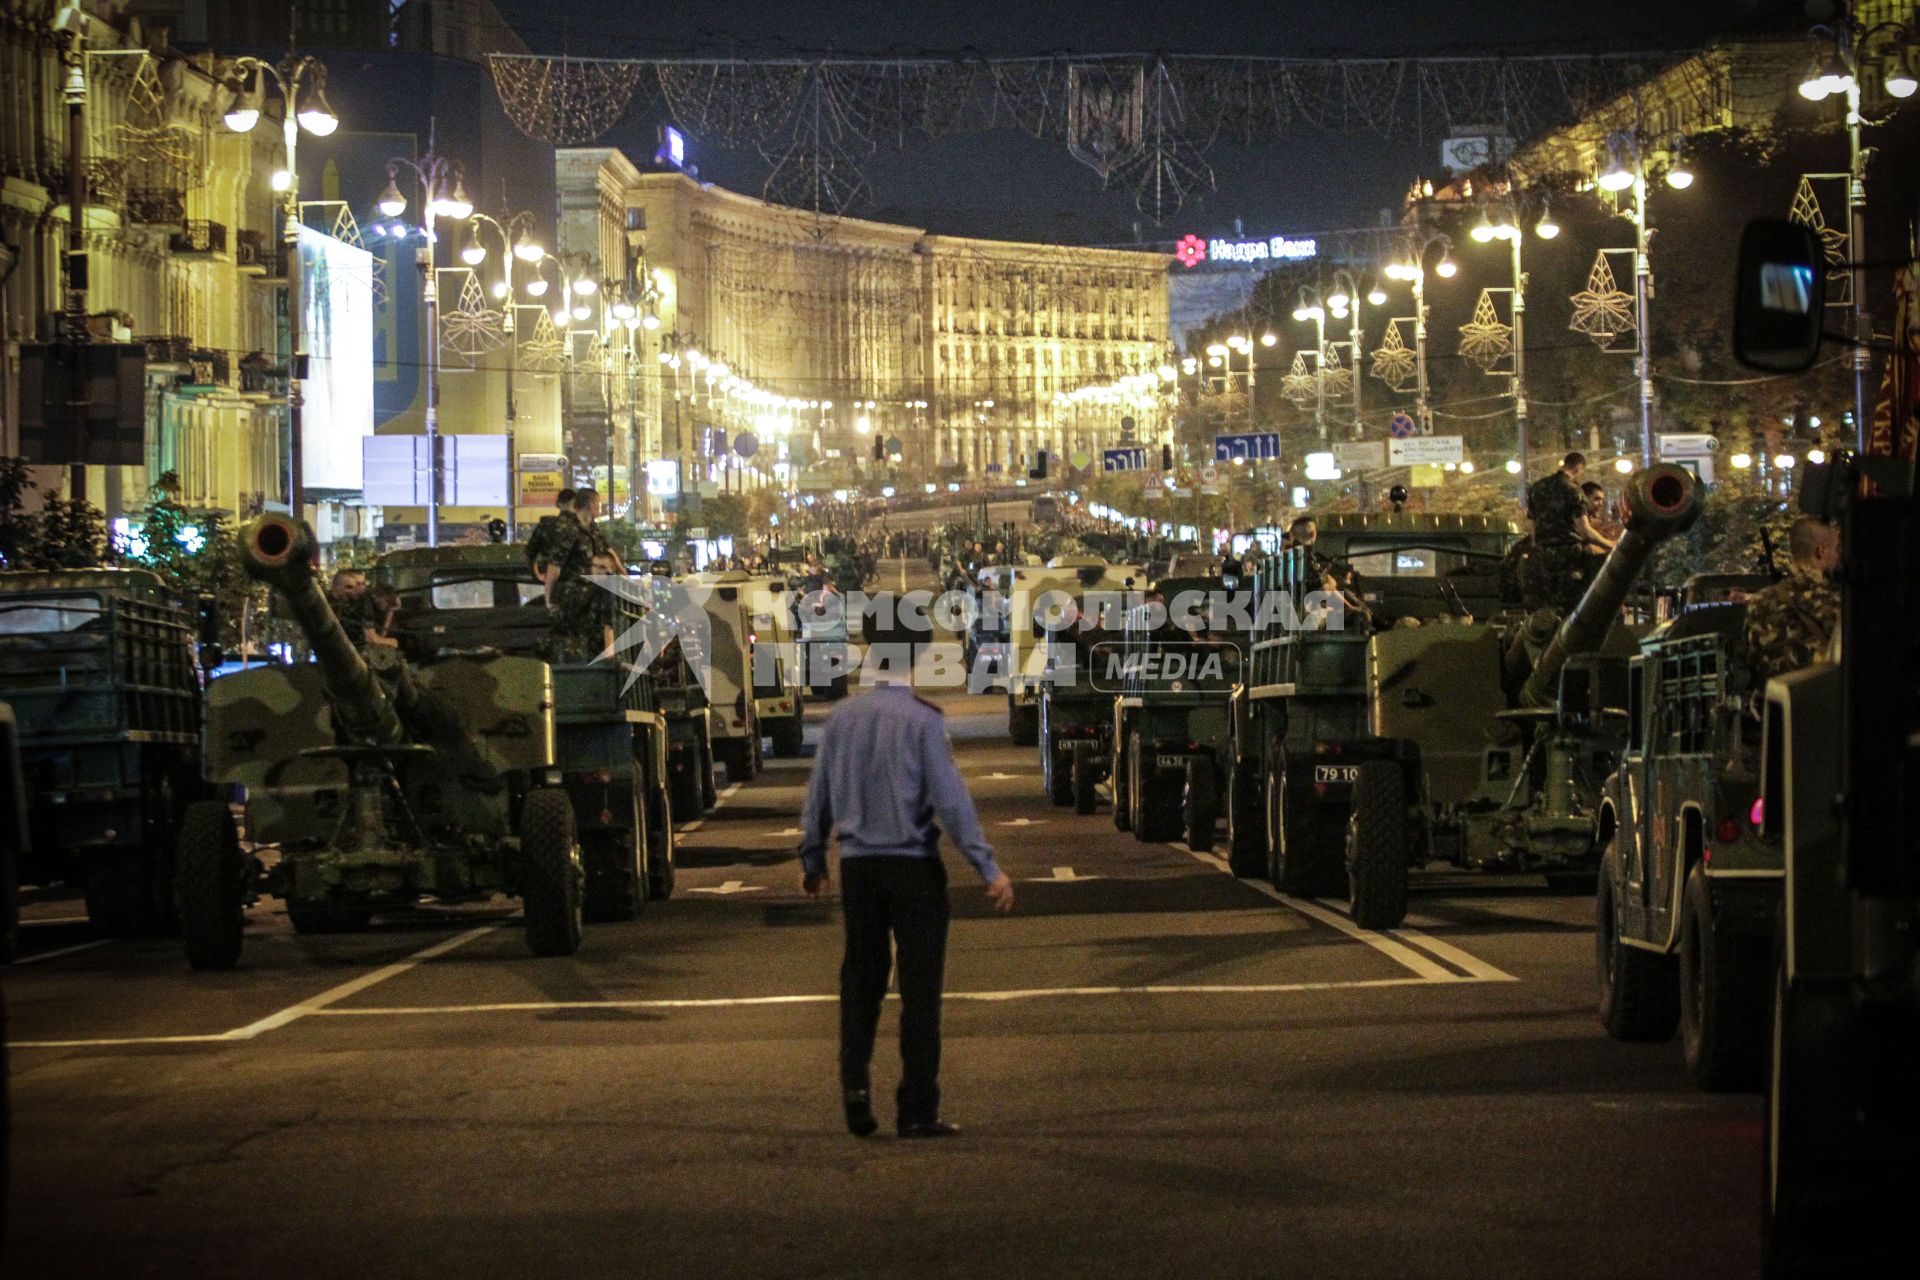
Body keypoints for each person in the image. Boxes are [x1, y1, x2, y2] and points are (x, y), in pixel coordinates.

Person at [798, 680, 1015, 1139]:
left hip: (860, 869)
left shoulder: (841, 718)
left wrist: (813, 857)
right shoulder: (923, 718)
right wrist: (987, 867)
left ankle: (855, 1088)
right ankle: (916, 1108)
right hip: (913, 868)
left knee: (860, 980)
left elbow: (819, 791)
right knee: (920, 992)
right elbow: (950, 799)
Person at [1744, 517, 1841, 686]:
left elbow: (1749, 665)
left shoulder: (1760, 602)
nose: (1838, 557)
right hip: (1825, 705)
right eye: (1837, 550)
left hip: (1779, 706)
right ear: (1821, 552)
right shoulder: (1836, 601)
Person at [1525, 453, 1609, 610]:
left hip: (1543, 557)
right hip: (1569, 557)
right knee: (1576, 604)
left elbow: (1530, 524)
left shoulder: (1537, 487)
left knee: (1546, 607)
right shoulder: (1573, 491)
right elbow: (1585, 532)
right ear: (1579, 467)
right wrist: (1610, 544)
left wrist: (1539, 545)